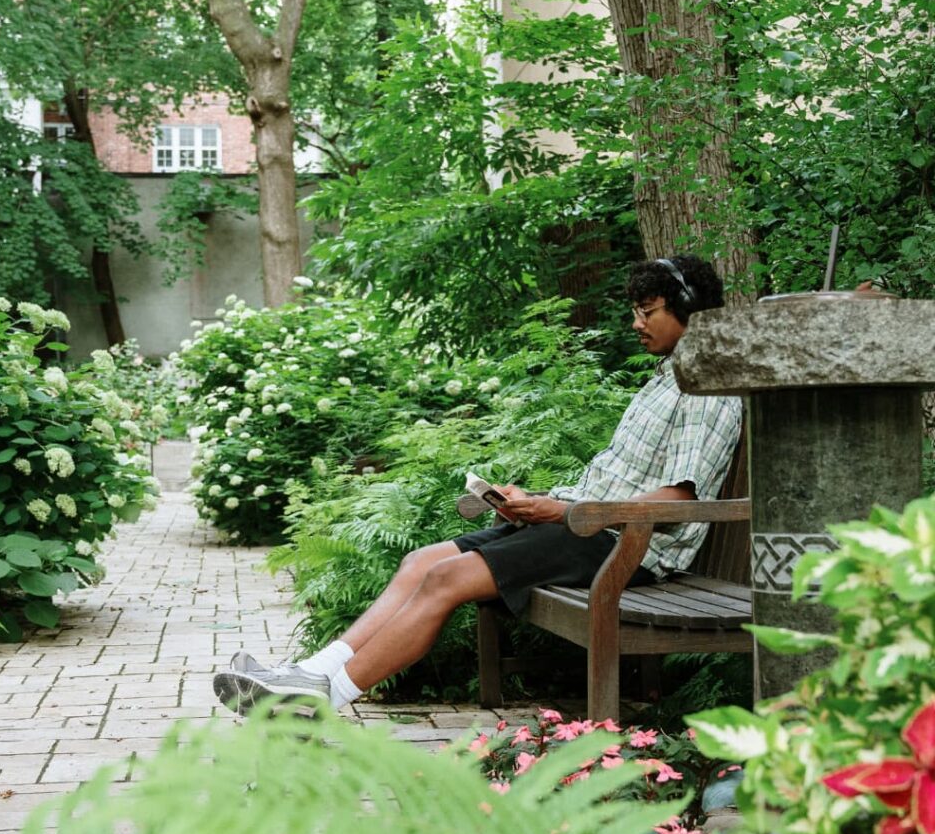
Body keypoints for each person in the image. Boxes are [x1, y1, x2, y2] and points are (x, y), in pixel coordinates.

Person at [213, 255, 743, 715]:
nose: (636, 323)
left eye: (646, 312)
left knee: (447, 580)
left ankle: (318, 701)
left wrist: (561, 511)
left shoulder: (708, 389)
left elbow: (680, 499)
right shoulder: (665, 380)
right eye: (636, 311)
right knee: (421, 561)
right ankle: (307, 674)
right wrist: (532, 500)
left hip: (628, 545)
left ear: (689, 308)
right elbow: (618, 476)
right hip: (589, 527)